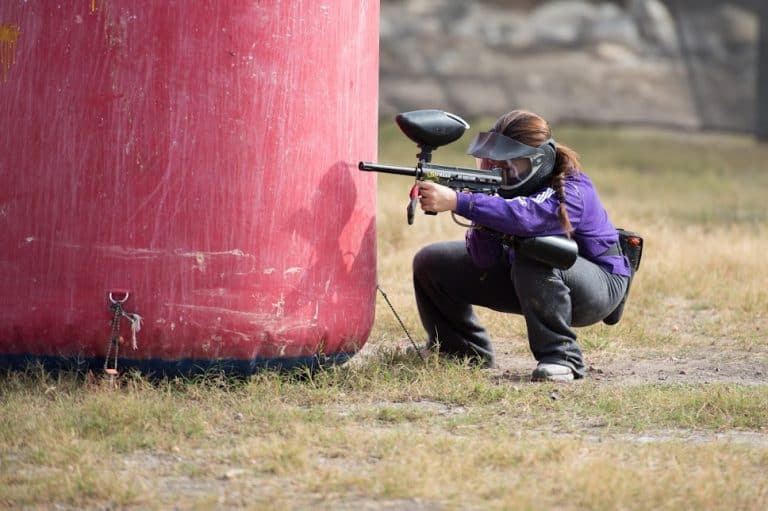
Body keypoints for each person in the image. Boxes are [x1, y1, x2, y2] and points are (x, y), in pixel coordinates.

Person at [412, 109, 631, 381]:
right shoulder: (504, 192)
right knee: (432, 261)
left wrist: (462, 202)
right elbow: (483, 260)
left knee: (535, 254)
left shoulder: (574, 190)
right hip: (530, 279)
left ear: (539, 161)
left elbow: (527, 217)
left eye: (512, 163)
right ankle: (462, 351)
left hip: (598, 286)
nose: (502, 170)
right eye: (495, 162)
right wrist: (483, 212)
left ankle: (562, 358)